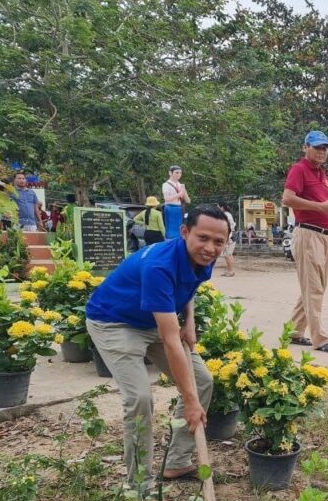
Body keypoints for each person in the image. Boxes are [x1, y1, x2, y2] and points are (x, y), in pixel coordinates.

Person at [85, 204, 229, 481]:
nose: (210, 248)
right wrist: (190, 402)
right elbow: (170, 340)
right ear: (185, 232)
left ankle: (177, 462)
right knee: (139, 398)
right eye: (203, 238)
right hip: (114, 322)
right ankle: (139, 483)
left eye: (218, 241)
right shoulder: (159, 265)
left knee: (202, 381)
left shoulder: (202, 257)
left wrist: (189, 320)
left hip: (154, 318)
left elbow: (188, 286)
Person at [281, 130, 328, 353]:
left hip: (323, 236)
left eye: (325, 148)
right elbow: (287, 198)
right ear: (305, 147)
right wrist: (320, 207)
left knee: (315, 287)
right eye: (316, 147)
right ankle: (320, 338)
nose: (321, 151)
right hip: (308, 235)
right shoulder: (299, 169)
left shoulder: (321, 173)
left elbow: (324, 209)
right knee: (314, 288)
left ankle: (294, 332)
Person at [162, 165, 191, 240]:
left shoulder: (180, 185)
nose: (179, 174)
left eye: (180, 173)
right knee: (171, 229)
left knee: (180, 227)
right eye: (177, 172)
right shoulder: (166, 185)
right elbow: (166, 199)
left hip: (180, 208)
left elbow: (188, 200)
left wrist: (184, 190)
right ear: (170, 173)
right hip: (170, 208)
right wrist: (179, 194)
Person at [219, 202, 237, 276]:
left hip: (229, 237)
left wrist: (228, 238)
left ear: (222, 207)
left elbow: (228, 228)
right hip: (229, 236)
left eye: (218, 206)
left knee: (228, 255)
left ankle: (231, 271)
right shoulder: (228, 214)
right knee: (228, 255)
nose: (218, 208)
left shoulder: (226, 215)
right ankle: (229, 270)